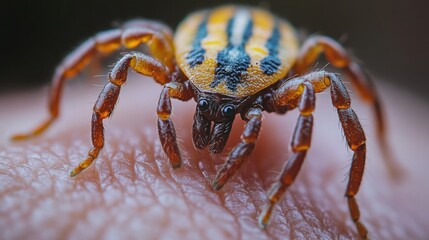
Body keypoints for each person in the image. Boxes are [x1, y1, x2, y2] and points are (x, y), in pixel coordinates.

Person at [0, 75, 427, 239]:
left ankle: (339, 202)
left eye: (229, 113)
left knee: (328, 82)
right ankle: (75, 137)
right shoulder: (176, 73)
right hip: (202, 60)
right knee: (129, 52)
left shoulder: (279, 94)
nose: (212, 119)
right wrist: (98, 145)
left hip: (265, 71)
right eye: (205, 106)